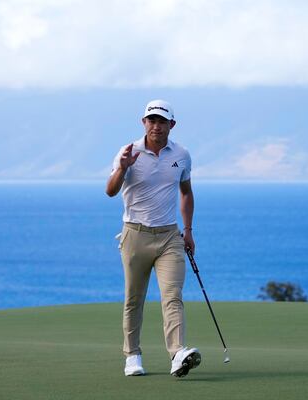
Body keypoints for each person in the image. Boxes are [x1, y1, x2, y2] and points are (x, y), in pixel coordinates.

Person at [105, 99, 201, 378]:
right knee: (134, 299)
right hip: (135, 235)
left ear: (172, 124)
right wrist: (122, 168)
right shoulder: (128, 152)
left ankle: (177, 353)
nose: (156, 126)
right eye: (151, 120)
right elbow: (110, 191)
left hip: (169, 235)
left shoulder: (181, 155)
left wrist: (189, 230)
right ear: (143, 122)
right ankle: (132, 355)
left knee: (173, 295)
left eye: (161, 121)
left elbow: (186, 192)